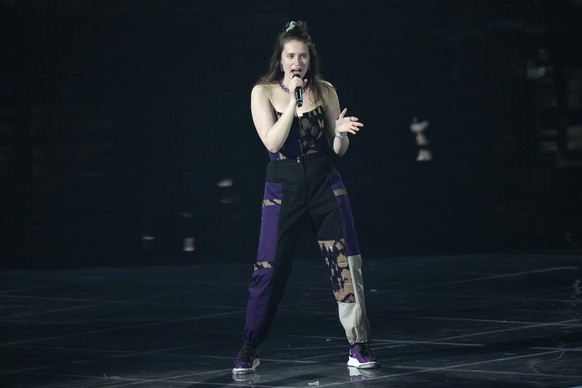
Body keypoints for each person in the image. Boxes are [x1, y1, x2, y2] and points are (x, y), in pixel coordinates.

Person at [232, 20, 379, 375]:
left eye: (303, 56)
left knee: (345, 263)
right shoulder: (263, 92)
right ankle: (249, 345)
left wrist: (341, 133)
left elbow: (337, 148)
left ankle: (358, 344)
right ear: (280, 60)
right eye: (290, 56)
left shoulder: (325, 90)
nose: (297, 61)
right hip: (283, 185)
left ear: (310, 59)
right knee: (269, 267)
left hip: (324, 181)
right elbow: (272, 142)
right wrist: (293, 104)